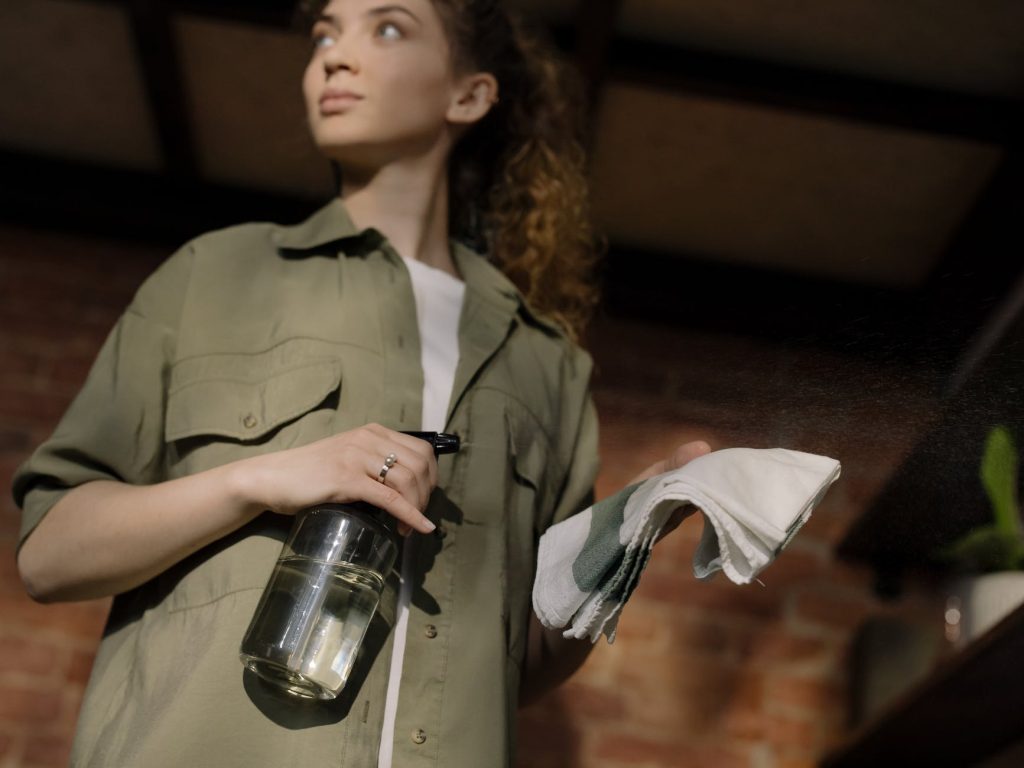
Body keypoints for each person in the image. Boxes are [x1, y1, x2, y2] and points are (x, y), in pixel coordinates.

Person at [12, 0, 709, 765]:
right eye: (323, 34)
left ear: (468, 96)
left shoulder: (548, 365)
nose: (333, 58)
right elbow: (50, 554)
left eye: (386, 27)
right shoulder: (208, 277)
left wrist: (630, 535)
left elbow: (512, 663)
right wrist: (262, 478)